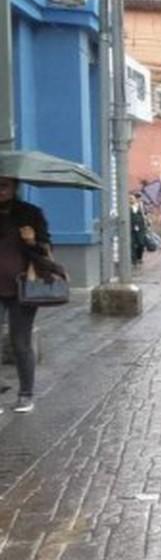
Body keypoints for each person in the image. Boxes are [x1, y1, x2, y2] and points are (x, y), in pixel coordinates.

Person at [0, 176, 53, 414]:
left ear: (15, 187)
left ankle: (25, 395)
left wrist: (32, 241)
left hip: (23, 288)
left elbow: (46, 249)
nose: (0, 190)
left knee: (20, 342)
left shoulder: (30, 213)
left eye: (4, 185)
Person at [130, 193, 148, 265]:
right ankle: (134, 259)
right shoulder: (128, 207)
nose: (130, 200)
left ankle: (139, 257)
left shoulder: (141, 206)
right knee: (132, 243)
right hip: (131, 228)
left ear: (135, 199)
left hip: (140, 228)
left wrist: (146, 223)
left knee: (141, 243)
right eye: (130, 199)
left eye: (132, 198)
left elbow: (145, 215)